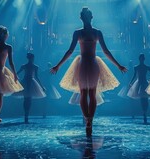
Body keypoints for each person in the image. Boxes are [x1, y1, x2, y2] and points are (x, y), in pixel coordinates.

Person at [51, 7, 127, 136]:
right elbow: (70, 51)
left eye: (88, 16)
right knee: (84, 92)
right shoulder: (78, 33)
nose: (86, 18)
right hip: (82, 64)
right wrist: (58, 65)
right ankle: (87, 119)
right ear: (82, 18)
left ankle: (89, 120)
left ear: (91, 17)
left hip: (92, 63)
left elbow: (106, 51)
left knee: (91, 93)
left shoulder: (97, 32)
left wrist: (118, 65)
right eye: (84, 16)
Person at [16, 53, 46, 123]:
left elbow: (17, 73)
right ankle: (26, 114)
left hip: (29, 82)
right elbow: (17, 73)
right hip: (27, 82)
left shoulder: (33, 66)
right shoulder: (29, 66)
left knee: (27, 99)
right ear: (31, 58)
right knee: (28, 99)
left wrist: (42, 86)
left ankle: (26, 114)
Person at [127, 53, 150, 124]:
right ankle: (144, 112)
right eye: (141, 58)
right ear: (140, 59)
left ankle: (144, 112)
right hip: (140, 83)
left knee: (145, 99)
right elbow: (134, 75)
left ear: (143, 59)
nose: (142, 59)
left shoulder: (146, 67)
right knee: (143, 99)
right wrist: (131, 82)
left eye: (143, 58)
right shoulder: (136, 67)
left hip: (144, 83)